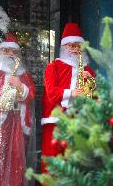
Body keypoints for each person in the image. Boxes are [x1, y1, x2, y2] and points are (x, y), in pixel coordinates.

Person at [0, 33, 36, 186]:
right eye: (6, 50)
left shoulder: (24, 74)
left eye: (14, 51)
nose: (10, 54)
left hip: (17, 123)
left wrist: (19, 86)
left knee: (17, 160)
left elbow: (31, 94)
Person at [41, 22, 96, 173]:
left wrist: (91, 81)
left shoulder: (89, 70)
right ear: (64, 48)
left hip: (80, 120)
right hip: (57, 119)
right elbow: (51, 92)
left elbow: (95, 98)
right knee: (55, 158)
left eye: (78, 46)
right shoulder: (53, 67)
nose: (75, 50)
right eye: (71, 46)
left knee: (78, 159)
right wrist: (72, 92)